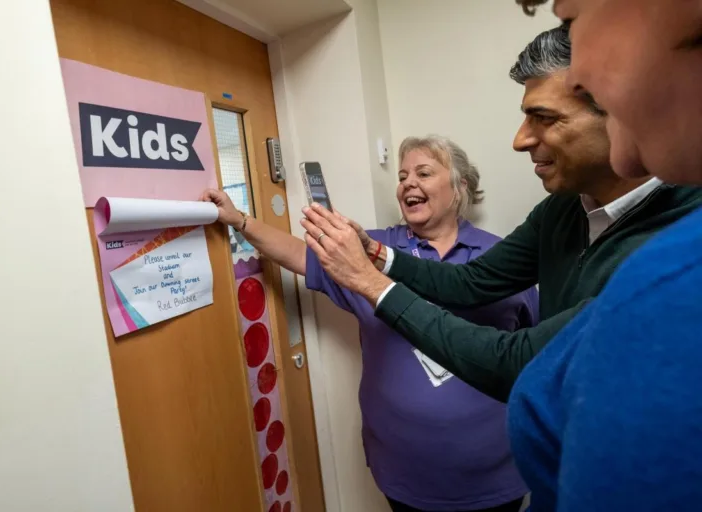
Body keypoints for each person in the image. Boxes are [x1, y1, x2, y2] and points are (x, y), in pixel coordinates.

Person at [299, 25, 702, 402]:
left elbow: (518, 363)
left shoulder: (681, 245)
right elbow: (472, 282)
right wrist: (376, 254)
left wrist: (370, 284)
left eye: (543, 117)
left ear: (628, 115)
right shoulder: (563, 208)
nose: (520, 139)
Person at [203, 136, 535, 512]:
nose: (408, 183)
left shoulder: (502, 258)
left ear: (460, 187)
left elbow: (536, 354)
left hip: (495, 470)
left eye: (423, 172)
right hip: (404, 470)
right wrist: (240, 220)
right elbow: (299, 254)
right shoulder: (371, 251)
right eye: (402, 175)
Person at [499, 0, 702, 510]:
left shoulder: (665, 281)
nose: (580, 69)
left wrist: (372, 285)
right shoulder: (568, 216)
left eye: (573, 20)